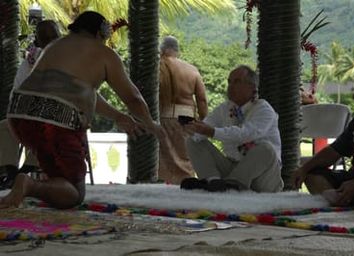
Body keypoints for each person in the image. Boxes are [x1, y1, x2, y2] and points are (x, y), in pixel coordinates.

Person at [1, 11, 164, 209]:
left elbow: (80, 93)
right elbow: (134, 98)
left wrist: (118, 116)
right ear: (99, 34)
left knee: (59, 178)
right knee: (75, 193)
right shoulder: (103, 53)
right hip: (55, 122)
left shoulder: (55, 46)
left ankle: (35, 185)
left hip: (19, 117)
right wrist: (152, 125)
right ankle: (28, 185)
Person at [181, 65, 284, 192]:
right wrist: (193, 130)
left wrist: (211, 132)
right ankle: (213, 181)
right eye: (229, 82)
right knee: (193, 141)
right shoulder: (225, 108)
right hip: (233, 167)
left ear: (252, 87)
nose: (230, 86)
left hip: (264, 176)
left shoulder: (264, 108)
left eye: (237, 82)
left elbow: (245, 134)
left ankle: (230, 185)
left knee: (266, 149)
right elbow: (206, 126)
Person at [293, 67, 354, 208]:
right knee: (312, 173)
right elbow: (334, 151)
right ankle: (344, 200)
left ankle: (342, 200)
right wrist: (304, 169)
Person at [0, 20, 61, 189]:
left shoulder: (68, 57)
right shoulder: (30, 61)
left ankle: (25, 171)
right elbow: (17, 92)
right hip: (31, 112)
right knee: (5, 126)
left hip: (61, 115)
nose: (50, 41)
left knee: (45, 127)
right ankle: (12, 173)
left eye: (53, 37)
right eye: (45, 38)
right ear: (38, 41)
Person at [158, 36, 208, 184]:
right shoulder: (192, 70)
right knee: (186, 160)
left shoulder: (157, 69)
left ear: (162, 50)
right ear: (177, 51)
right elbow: (202, 100)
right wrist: (204, 123)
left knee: (163, 162)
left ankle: (163, 194)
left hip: (163, 117)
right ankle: (186, 192)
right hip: (187, 118)